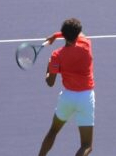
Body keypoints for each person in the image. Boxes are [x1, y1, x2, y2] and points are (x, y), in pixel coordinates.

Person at [37, 18, 94, 156]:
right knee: (86, 145)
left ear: (64, 34)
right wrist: (56, 35)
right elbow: (76, 34)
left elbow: (50, 83)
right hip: (85, 98)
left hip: (67, 98)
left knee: (53, 131)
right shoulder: (86, 44)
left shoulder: (56, 55)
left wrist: (49, 66)